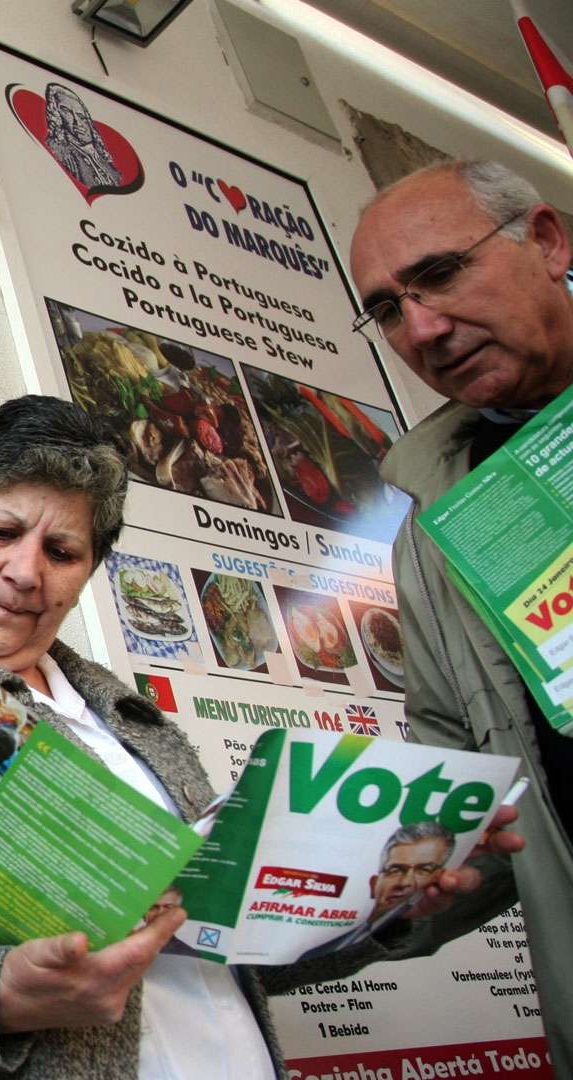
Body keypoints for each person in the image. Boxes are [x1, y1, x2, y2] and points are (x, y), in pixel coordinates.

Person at [0, 395, 518, 1079]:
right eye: (3, 531)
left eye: (62, 552)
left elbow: (222, 951)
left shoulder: (127, 715)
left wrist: (379, 904)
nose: (25, 571)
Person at [350, 158, 568, 1070]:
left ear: (547, 242)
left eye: (440, 274)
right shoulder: (436, 530)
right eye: (388, 310)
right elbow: (477, 793)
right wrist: (353, 906)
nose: (424, 329)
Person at [301, 823, 455, 961]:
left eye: (424, 870)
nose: (405, 882)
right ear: (374, 883)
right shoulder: (321, 943)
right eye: (395, 870)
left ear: (441, 876)